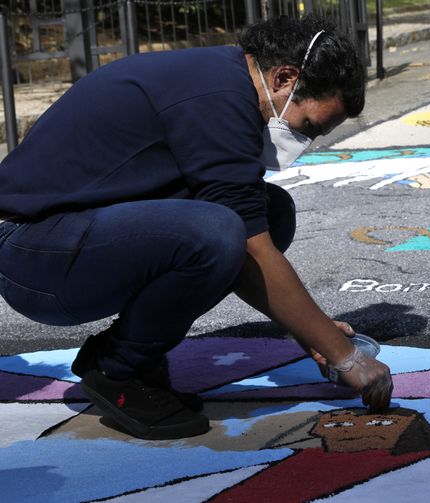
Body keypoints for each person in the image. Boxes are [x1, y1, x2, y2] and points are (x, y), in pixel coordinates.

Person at [0, 15, 393, 440]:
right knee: (220, 231)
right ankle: (118, 370)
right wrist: (345, 357)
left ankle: (131, 355)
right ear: (284, 78)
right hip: (30, 255)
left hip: (61, 241)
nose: (305, 142)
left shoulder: (224, 80)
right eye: (309, 126)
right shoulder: (217, 97)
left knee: (269, 211)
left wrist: (310, 330)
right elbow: (248, 247)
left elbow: (250, 239)